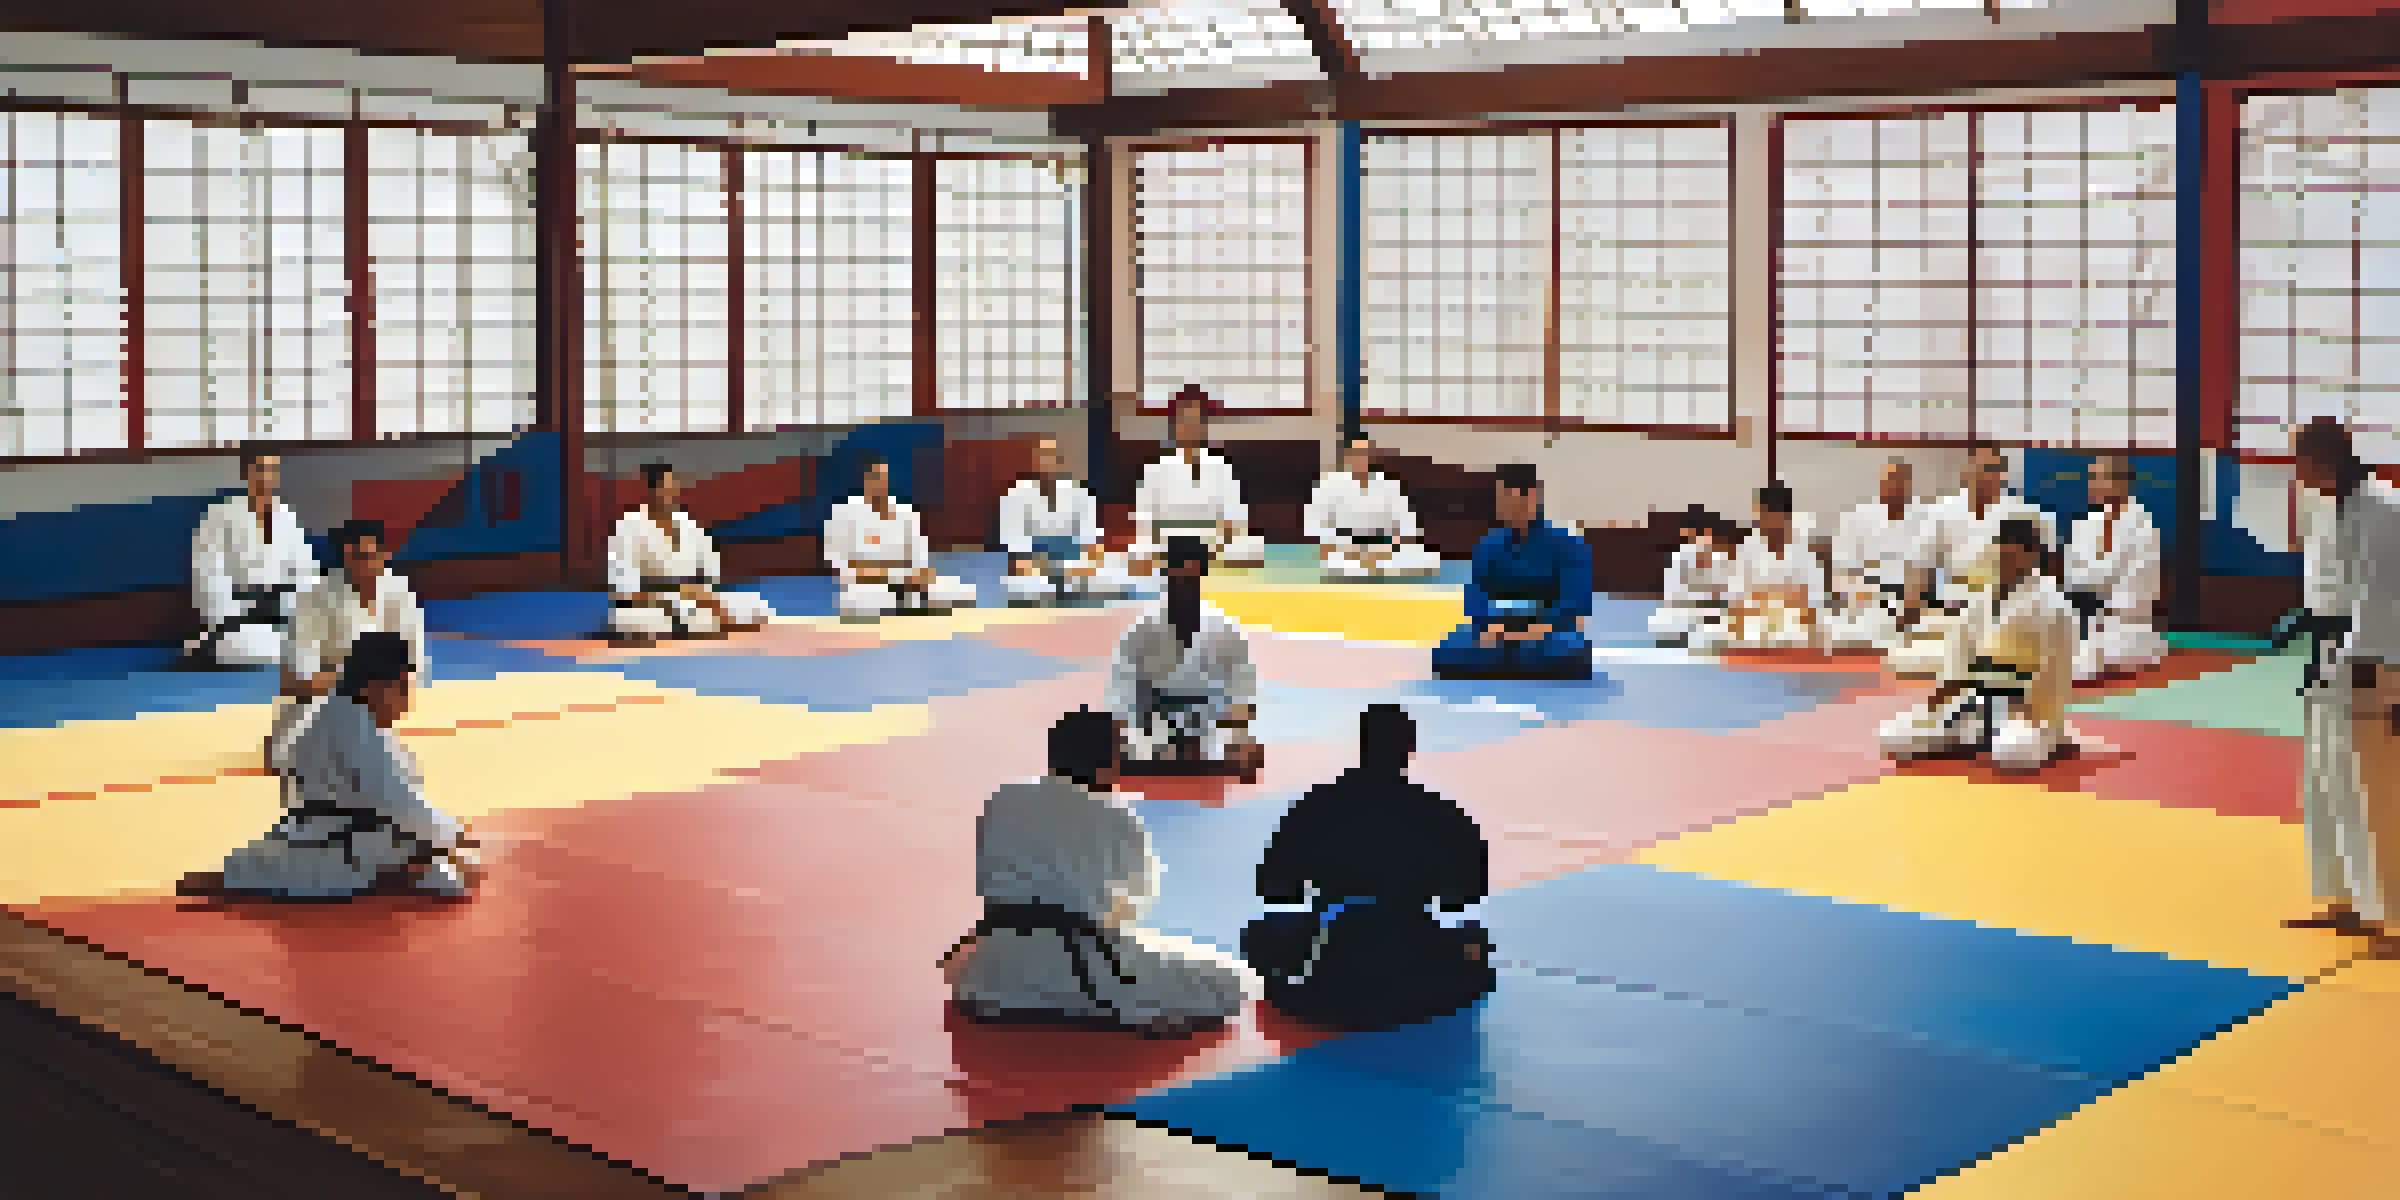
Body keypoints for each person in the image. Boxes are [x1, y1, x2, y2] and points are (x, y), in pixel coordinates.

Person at [941, 707, 1254, 1036]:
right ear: (1111, 764)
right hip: (1084, 971)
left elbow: (989, 880)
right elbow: (1133, 905)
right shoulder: (1116, 816)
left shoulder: (1004, 798)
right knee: (1230, 980)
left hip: (993, 969)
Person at [1241, 704, 1494, 1032]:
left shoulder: (1317, 806)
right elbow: (1463, 896)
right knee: (1474, 939)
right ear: (1409, 748)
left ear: (1362, 744)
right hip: (1411, 954)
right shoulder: (1442, 814)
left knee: (1260, 933)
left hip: (1326, 962)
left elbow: (1275, 888)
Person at [200, 631, 481, 901]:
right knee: (453, 876)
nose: (407, 701)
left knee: (448, 860)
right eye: (403, 688)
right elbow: (402, 805)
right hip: (339, 855)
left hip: (320, 840)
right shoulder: (354, 726)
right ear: (373, 687)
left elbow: (285, 759)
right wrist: (455, 835)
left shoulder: (334, 711)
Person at [2285, 417, 2400, 959]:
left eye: (2299, 463)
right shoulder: (2325, 505)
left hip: (2371, 660)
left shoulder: (2383, 509)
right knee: (2326, 777)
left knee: (2373, 788)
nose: (2296, 474)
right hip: (2330, 654)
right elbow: (2323, 586)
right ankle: (2344, 898)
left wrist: (2363, 666)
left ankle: (2391, 918)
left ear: (2323, 461)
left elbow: (2381, 600)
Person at [1879, 518, 2078, 773]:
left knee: (2012, 752)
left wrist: (2036, 715)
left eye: (2013, 556)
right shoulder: (1980, 600)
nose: (2005, 563)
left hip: (2028, 711)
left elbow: (2057, 672)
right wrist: (1938, 707)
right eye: (2001, 554)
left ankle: (2038, 739)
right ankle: (1971, 737)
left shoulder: (2053, 603)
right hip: (1979, 703)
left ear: (2032, 557)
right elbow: (1959, 658)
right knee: (1895, 737)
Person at [267, 519, 428, 770]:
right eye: (354, 558)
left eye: (368, 557)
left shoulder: (400, 595)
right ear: (343, 558)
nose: (362, 566)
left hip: (370, 707)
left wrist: (380, 695)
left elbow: (408, 677)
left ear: (383, 555)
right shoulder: (314, 597)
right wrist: (353, 680)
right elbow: (292, 681)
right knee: (294, 756)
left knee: (401, 766)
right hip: (319, 707)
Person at [1104, 537, 1265, 780]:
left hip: (1210, 729)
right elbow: (1122, 688)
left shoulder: (1224, 629)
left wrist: (1240, 734)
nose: (1183, 584)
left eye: (1190, 578)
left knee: (1247, 756)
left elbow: (1242, 687)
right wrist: (1123, 735)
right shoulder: (1143, 629)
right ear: (1167, 576)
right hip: (1154, 728)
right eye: (1178, 577)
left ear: (1200, 576)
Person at [1891, 446, 2057, 676]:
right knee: (1909, 659)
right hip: (1954, 607)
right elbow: (1921, 566)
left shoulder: (2022, 512)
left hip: (2008, 606)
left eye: (1991, 470)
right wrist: (1909, 612)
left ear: (2002, 474)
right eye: (1980, 469)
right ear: (1966, 471)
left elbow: (2047, 565)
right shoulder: (1943, 511)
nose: (1985, 476)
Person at [1431, 464, 1595, 680]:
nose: (1503, 507)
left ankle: (1507, 664)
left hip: (1547, 634)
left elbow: (1574, 603)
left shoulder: (1568, 545)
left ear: (1531, 497)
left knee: (1569, 651)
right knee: (1447, 650)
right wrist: (1492, 626)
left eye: (1509, 499)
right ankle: (1517, 664)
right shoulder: (1489, 545)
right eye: (1500, 500)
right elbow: (1476, 596)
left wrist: (1541, 627)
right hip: (1496, 632)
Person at [605, 462, 776, 645]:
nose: (669, 494)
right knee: (633, 621)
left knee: (756, 606)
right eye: (663, 488)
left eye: (672, 487)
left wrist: (704, 596)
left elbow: (709, 571)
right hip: (651, 603)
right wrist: (674, 594)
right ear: (650, 491)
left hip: (692, 600)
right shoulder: (629, 527)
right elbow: (625, 592)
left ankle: (695, 624)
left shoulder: (686, 524)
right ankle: (693, 625)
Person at [186, 448, 322, 669]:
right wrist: (230, 618)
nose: (266, 478)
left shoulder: (288, 517)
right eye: (260, 469)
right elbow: (208, 574)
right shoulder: (219, 515)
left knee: (315, 647)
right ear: (245, 472)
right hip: (238, 620)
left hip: (283, 615)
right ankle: (213, 645)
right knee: (250, 647)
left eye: (272, 470)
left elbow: (307, 572)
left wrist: (295, 612)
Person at [1130, 385, 1267, 574]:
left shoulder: (1221, 467)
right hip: (1167, 547)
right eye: (1184, 421)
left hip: (1213, 546)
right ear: (1174, 424)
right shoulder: (1156, 468)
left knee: (1252, 546)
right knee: (1139, 553)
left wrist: (1220, 538)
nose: (1190, 428)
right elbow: (1144, 520)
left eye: (1196, 421)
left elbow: (1236, 517)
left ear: (1205, 426)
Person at [825, 453, 979, 619]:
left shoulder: (905, 512)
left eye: (884, 478)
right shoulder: (843, 513)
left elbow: (921, 564)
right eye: (875, 478)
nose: (880, 483)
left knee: (962, 591)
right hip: (867, 587)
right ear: (865, 480)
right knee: (869, 600)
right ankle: (913, 605)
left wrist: (917, 578)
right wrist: (890, 573)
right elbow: (844, 565)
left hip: (908, 582)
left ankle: (915, 604)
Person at [998, 435, 1143, 606]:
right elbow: (1014, 544)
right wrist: (1043, 565)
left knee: (1116, 572)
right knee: (1022, 586)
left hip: (1075, 561)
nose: (1048, 463)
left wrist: (1080, 565)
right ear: (1034, 462)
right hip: (1034, 564)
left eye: (1052, 457)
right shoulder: (1016, 495)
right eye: (1043, 457)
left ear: (1060, 461)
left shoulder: (1080, 492)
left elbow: (1090, 539)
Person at [2063, 454, 2167, 682]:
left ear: (2123, 483)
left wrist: (2099, 600)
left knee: (2082, 663)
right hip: (2084, 617)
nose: (2094, 485)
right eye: (2092, 478)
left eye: (2101, 478)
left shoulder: (2144, 529)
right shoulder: (2084, 525)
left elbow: (2141, 591)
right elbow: (2073, 577)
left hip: (2126, 625)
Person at [1825, 459, 1936, 655]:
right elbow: (1840, 571)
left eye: (1901, 481)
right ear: (1881, 482)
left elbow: (1924, 571)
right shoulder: (1858, 517)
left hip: (1906, 606)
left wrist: (1910, 606)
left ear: (1908, 485)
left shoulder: (1923, 519)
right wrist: (1862, 599)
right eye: (1891, 480)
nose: (1896, 487)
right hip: (1862, 602)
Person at [1304, 435, 1443, 580]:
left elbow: (1407, 525)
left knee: (1428, 558)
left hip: (1385, 548)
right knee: (1341, 565)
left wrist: (1385, 548)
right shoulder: (1327, 485)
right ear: (1346, 456)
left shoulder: (1389, 485)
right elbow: (1315, 528)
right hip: (1345, 549)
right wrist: (1352, 550)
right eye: (1356, 454)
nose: (1361, 458)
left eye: (1365, 454)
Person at [1724, 481, 1826, 651]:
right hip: (1753, 638)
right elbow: (1736, 605)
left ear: (1787, 518)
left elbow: (1813, 607)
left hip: (1796, 640)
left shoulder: (1804, 553)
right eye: (1763, 517)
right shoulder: (1746, 551)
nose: (1769, 525)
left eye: (1775, 518)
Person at [1649, 508, 1738, 650]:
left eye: (1708, 535)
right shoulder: (1679, 560)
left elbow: (1728, 595)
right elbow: (1676, 599)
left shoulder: (1721, 560)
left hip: (1710, 623)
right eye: (1697, 535)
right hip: (1680, 623)